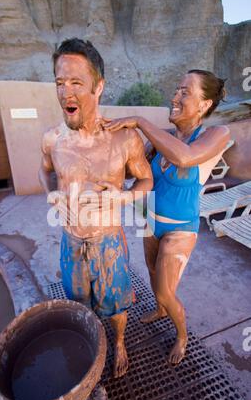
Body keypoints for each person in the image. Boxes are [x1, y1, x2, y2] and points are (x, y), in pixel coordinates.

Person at [39, 38, 153, 378]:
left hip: (109, 243)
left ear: (98, 87)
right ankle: (90, 344)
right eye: (60, 83)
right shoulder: (52, 139)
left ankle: (118, 342)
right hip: (70, 241)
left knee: (116, 307)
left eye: (76, 83)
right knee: (79, 304)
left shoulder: (124, 139)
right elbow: (44, 171)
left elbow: (147, 182)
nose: (65, 93)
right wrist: (51, 195)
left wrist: (123, 196)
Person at [104, 70, 230, 365]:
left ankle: (182, 335)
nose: (174, 97)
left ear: (204, 104)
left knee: (164, 288)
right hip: (147, 217)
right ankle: (161, 310)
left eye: (185, 92)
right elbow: (134, 174)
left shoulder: (215, 135)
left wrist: (140, 121)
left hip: (180, 229)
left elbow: (184, 158)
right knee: (150, 271)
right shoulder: (162, 139)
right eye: (176, 90)